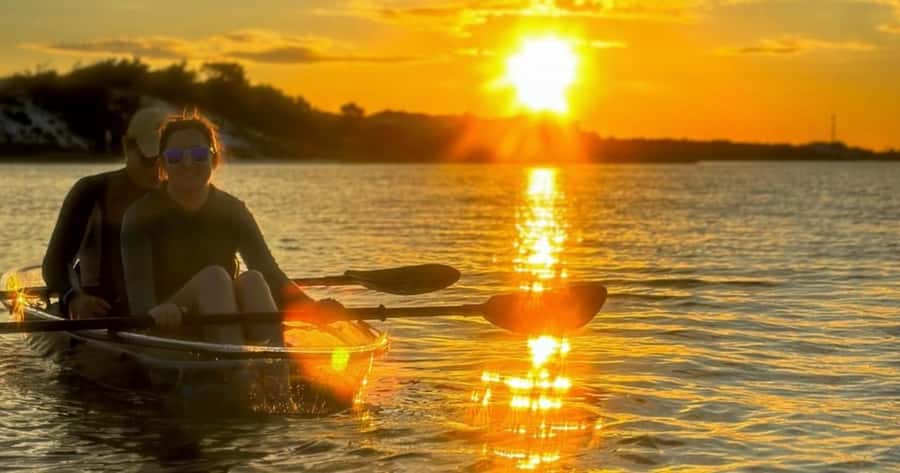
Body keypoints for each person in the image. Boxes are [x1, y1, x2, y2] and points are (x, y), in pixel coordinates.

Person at [120, 112, 340, 345]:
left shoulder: (233, 209)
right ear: (162, 164)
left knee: (253, 279)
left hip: (220, 311)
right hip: (167, 321)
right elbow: (140, 298)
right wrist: (155, 313)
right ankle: (237, 369)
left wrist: (311, 307)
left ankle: (275, 368)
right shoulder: (140, 215)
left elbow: (270, 273)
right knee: (213, 278)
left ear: (213, 160)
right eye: (175, 157)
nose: (187, 163)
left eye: (198, 154)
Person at [42, 107, 167, 319]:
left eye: (165, 160)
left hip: (164, 311)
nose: (157, 170)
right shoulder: (91, 190)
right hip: (100, 311)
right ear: (127, 146)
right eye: (148, 159)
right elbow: (55, 262)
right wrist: (74, 297)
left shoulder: (180, 194)